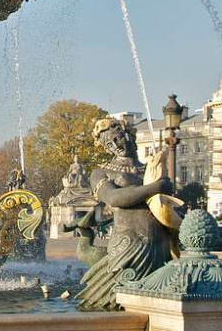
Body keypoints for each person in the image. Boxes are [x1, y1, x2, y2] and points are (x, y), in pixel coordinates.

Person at [77, 117, 174, 311]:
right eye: (108, 141)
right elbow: (114, 197)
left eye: (119, 136)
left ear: (130, 136)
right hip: (129, 247)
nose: (114, 143)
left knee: (158, 305)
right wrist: (156, 187)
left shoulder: (150, 169)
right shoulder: (100, 172)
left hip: (160, 246)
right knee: (118, 305)